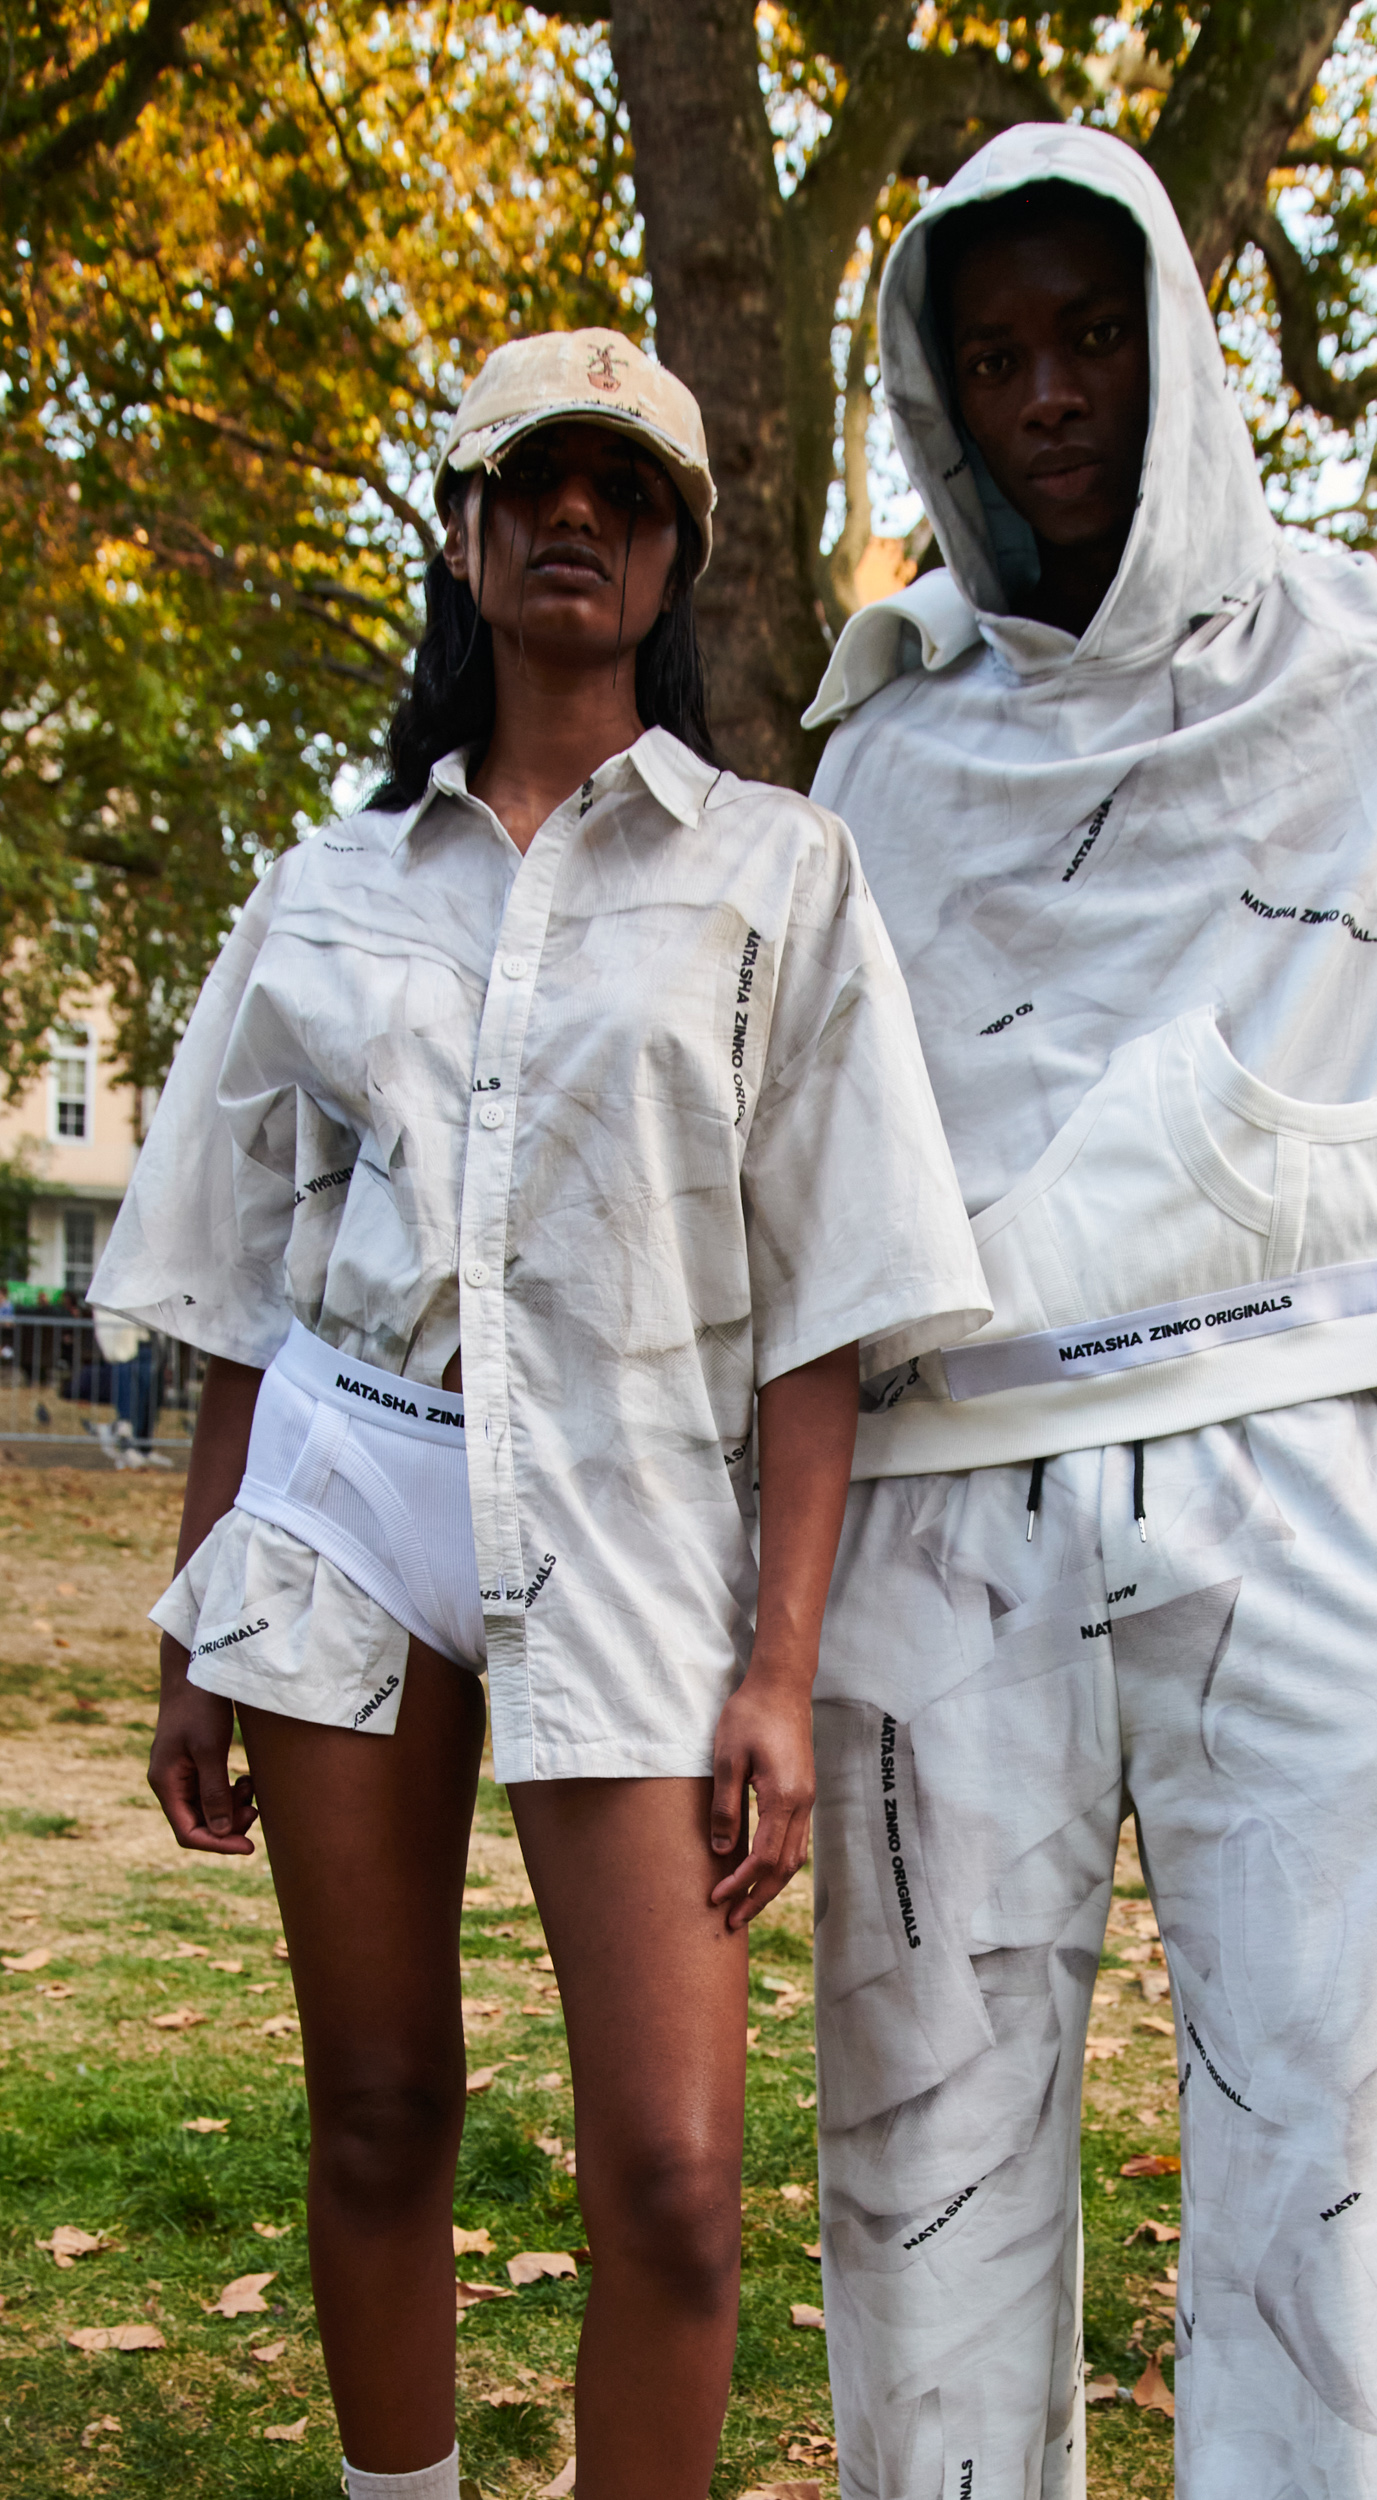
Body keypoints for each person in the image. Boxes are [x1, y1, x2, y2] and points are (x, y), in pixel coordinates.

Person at [89, 329, 989, 2500]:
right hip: (350, 1483)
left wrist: (778, 1663)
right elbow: (235, 1274)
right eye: (532, 480)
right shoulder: (330, 883)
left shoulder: (778, 874)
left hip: (631, 1506)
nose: (576, 515)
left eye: (626, 488)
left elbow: (825, 1304)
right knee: (383, 2094)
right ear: (470, 531)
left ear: (674, 551)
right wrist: (201, 1605)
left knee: (674, 2171)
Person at [801, 126, 1377, 2499]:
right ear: (938, 384)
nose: (1048, 395)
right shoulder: (884, 757)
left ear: (1180, 339)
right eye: (995, 350)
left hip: (1300, 1469)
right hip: (947, 1498)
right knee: (931, 2149)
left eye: (1092, 332)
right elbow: (834, 1209)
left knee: (1352, 2136)